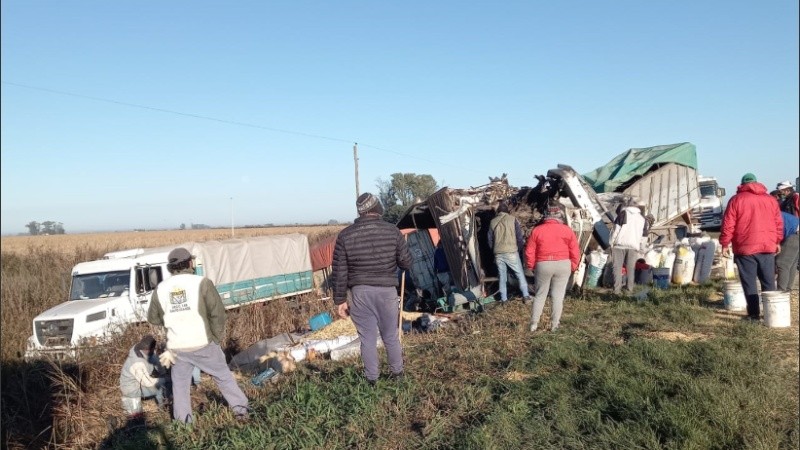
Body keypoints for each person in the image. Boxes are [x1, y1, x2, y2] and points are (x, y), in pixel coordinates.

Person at [147, 247, 249, 423]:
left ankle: (183, 423)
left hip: (177, 347)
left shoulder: (161, 288)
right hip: (203, 343)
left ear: (171, 267)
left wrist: (172, 327)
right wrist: (215, 339)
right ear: (189, 263)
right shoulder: (202, 282)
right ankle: (241, 412)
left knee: (180, 386)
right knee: (223, 377)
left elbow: (153, 318)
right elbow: (218, 314)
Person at [332, 192, 413, 384]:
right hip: (387, 291)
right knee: (390, 335)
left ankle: (372, 380)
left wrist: (340, 300)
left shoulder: (345, 235)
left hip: (360, 294)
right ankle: (397, 375)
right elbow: (406, 264)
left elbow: (340, 271)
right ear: (377, 208)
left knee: (367, 338)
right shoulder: (392, 231)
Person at [719, 174, 783, 320]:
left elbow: (728, 224)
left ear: (742, 184)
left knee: (749, 282)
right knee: (768, 281)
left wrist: (724, 243)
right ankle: (770, 314)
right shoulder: (770, 200)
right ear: (756, 183)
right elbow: (778, 223)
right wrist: (777, 241)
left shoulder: (736, 200)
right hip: (767, 246)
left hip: (745, 247)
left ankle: (754, 314)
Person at [524, 204, 580, 332]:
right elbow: (575, 250)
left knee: (540, 295)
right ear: (560, 216)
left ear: (545, 216)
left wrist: (532, 266)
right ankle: (554, 325)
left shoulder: (537, 230)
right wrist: (573, 265)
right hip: (563, 264)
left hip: (543, 264)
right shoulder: (567, 230)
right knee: (558, 296)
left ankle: (533, 324)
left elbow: (529, 251)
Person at [487, 201, 531, 303]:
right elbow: (519, 237)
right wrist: (518, 249)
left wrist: (495, 250)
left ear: (498, 211)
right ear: (507, 211)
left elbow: (489, 240)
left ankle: (504, 299)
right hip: (511, 252)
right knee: (520, 274)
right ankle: (526, 296)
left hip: (498, 253)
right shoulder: (513, 220)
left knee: (502, 277)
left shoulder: (493, 222)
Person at [119, 334, 167, 417]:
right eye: (153, 349)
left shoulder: (146, 351)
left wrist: (163, 373)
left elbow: (156, 361)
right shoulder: (137, 363)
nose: (154, 350)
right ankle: (162, 411)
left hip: (138, 382)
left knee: (161, 386)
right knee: (159, 389)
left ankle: (162, 409)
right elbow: (147, 382)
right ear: (148, 349)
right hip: (131, 388)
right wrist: (164, 380)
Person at [609, 197, 646, 294]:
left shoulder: (623, 214)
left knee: (617, 267)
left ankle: (616, 291)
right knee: (630, 269)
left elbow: (616, 230)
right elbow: (644, 235)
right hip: (633, 246)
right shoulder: (642, 218)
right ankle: (629, 290)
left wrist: (611, 242)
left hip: (619, 245)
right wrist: (641, 248)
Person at [771, 190, 799, 291]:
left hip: (793, 232)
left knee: (782, 263)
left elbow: (777, 232)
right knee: (791, 263)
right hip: (795, 229)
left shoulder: (770, 215)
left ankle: (781, 292)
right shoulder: (772, 211)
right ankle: (787, 289)